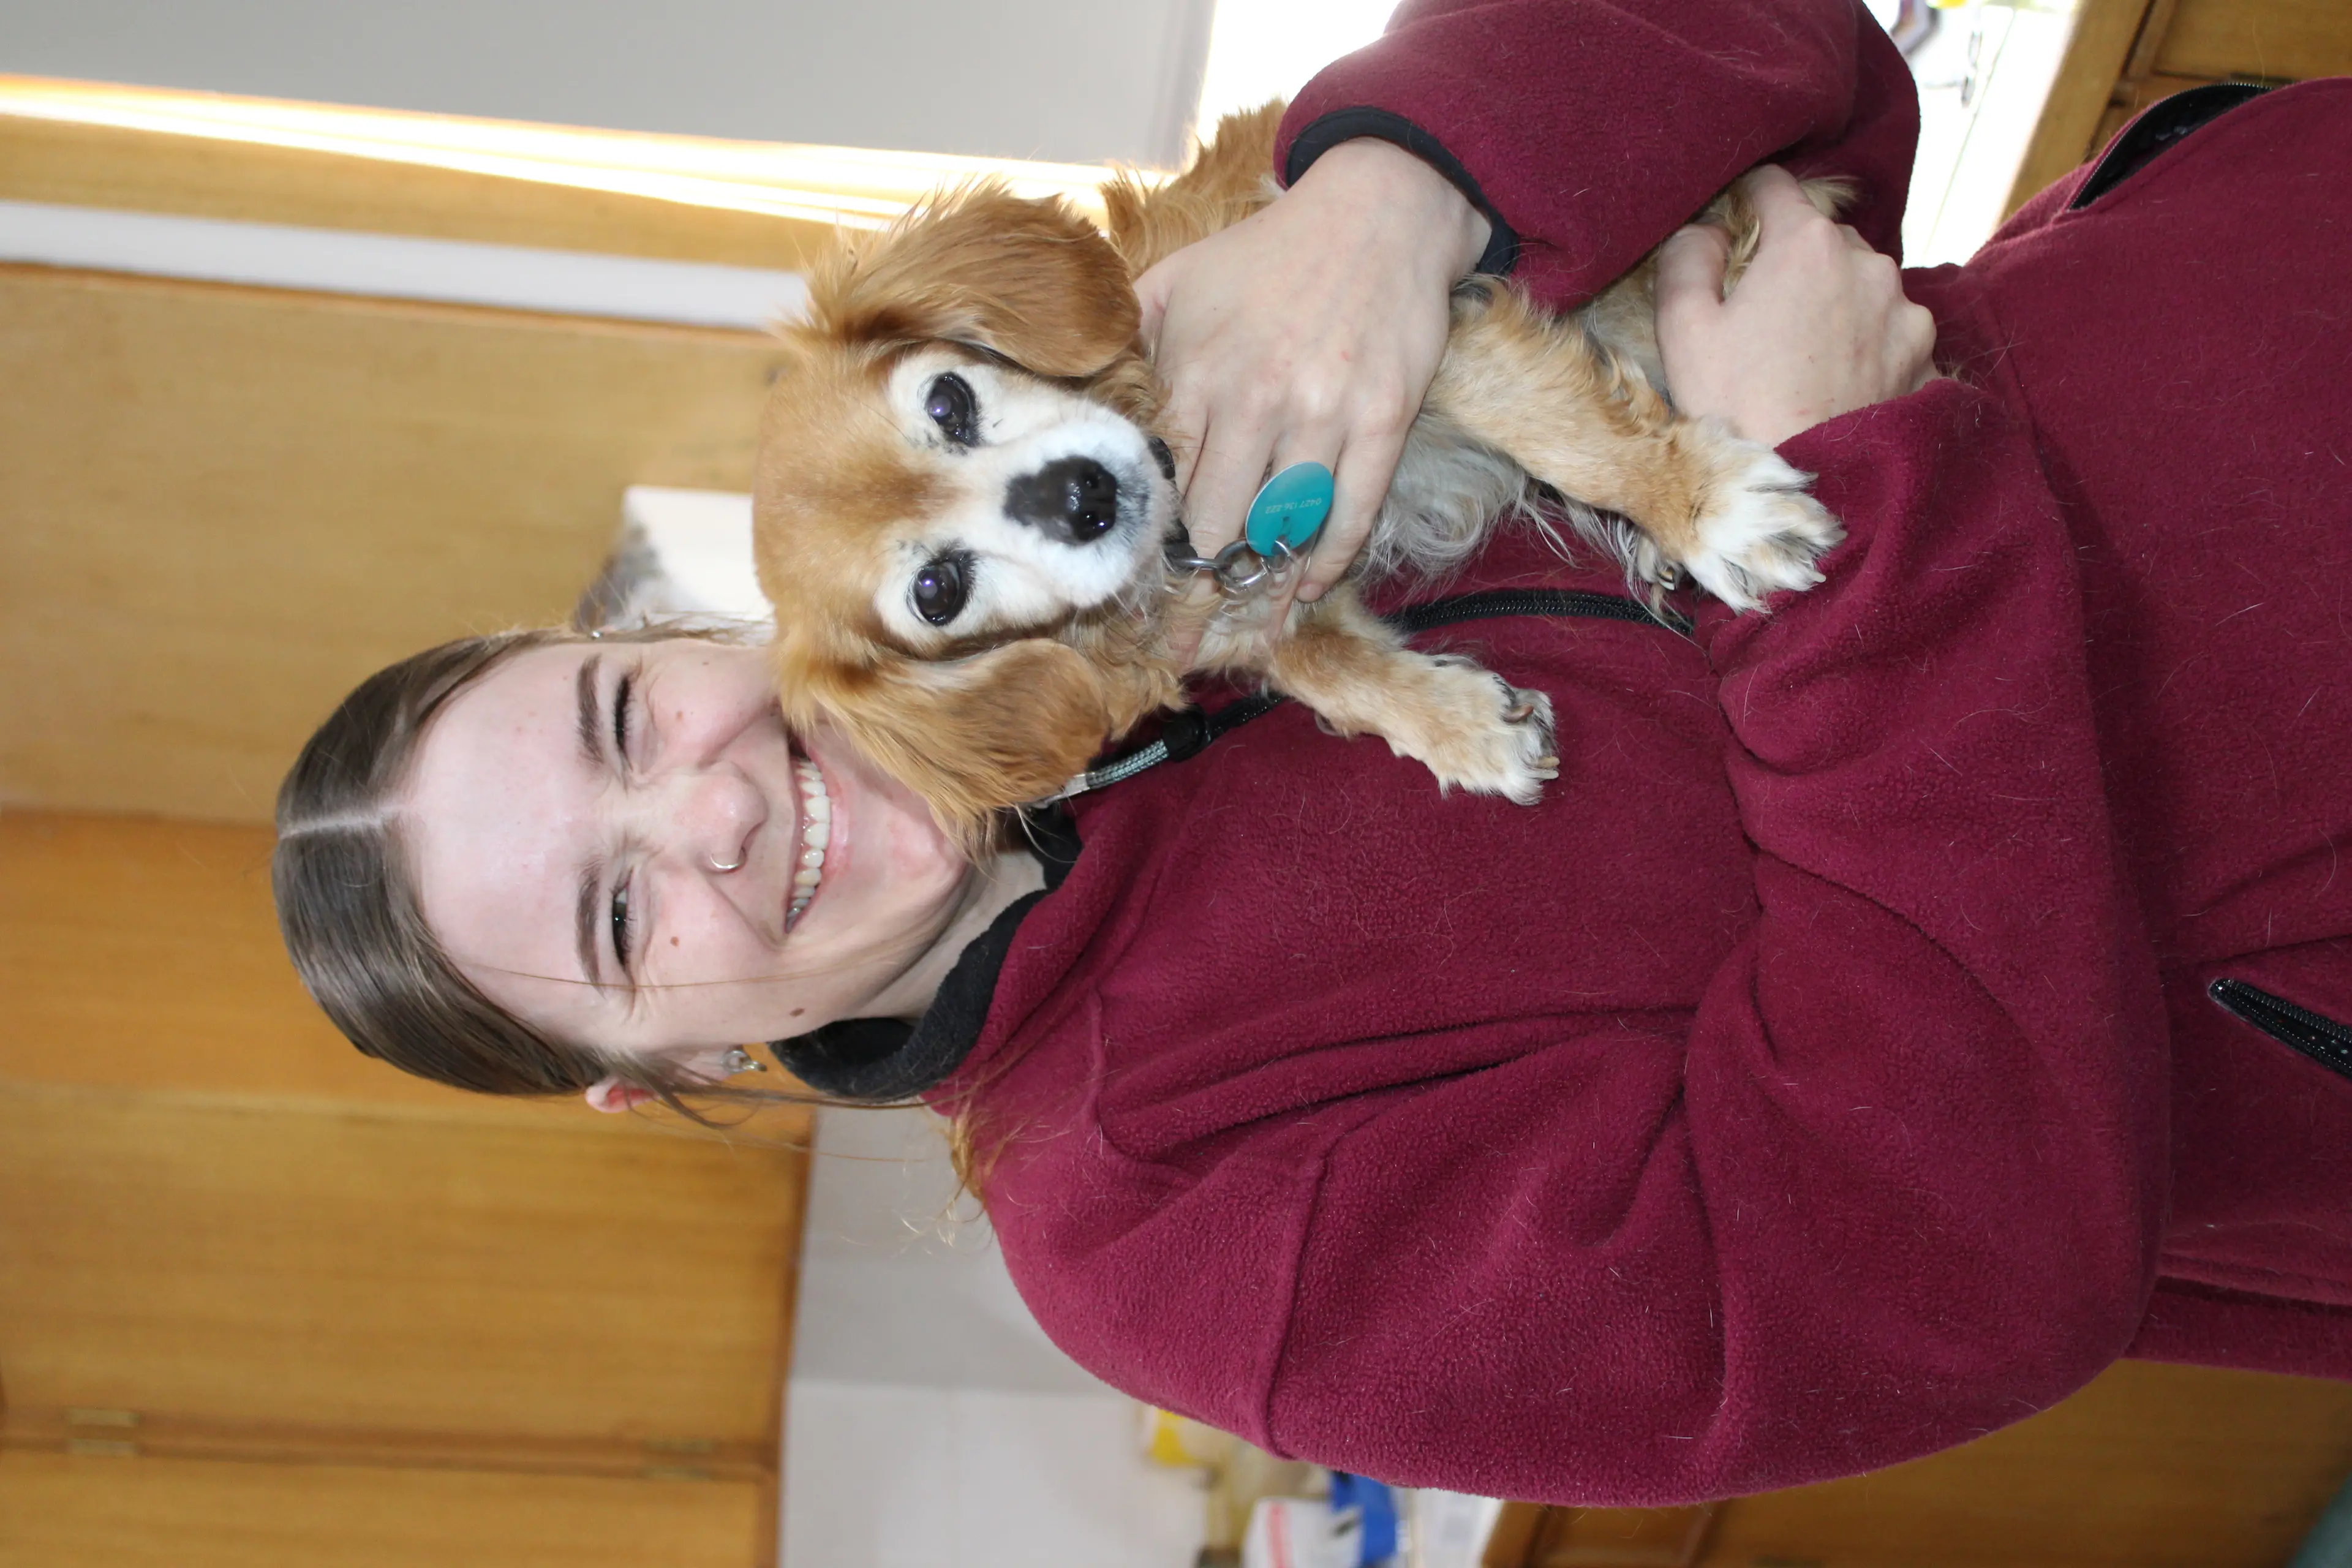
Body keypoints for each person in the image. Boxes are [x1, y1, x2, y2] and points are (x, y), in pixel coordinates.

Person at [272, 0, 2352, 1508]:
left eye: (628, 716)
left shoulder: (1073, 363)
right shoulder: (1175, 1236)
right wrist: (1854, 526)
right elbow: (1942, 1260)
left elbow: (1787, 58)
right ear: (672, 1075)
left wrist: (1398, 188)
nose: (713, 804)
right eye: (618, 912)